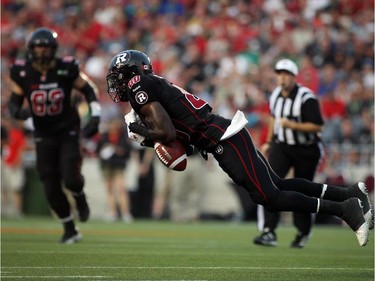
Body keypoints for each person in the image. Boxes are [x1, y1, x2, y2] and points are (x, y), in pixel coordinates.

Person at [105, 49, 373, 246]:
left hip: (224, 138)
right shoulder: (151, 84)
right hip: (223, 136)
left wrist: (139, 130)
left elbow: (167, 132)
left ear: (132, 73)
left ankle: (346, 210)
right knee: (277, 185)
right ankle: (347, 194)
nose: (116, 82)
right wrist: (153, 139)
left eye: (118, 75)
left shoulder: (138, 85)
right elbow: (180, 141)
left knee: (269, 197)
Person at [8, 27, 101, 244]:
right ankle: (70, 228)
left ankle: (79, 196)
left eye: (45, 47)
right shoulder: (22, 72)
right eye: (37, 47)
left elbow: (89, 90)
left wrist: (95, 117)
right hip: (43, 134)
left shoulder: (66, 68)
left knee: (70, 178)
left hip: (67, 130)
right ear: (31, 49)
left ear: (53, 49)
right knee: (49, 184)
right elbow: (14, 100)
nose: (41, 52)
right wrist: (16, 111)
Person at [253, 59, 324, 248]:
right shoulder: (275, 94)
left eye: (286, 74)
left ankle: (303, 232)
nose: (282, 78)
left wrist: (292, 125)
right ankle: (269, 231)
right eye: (279, 74)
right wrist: (268, 141)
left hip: (306, 150)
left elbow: (317, 126)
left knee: (301, 190)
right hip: (282, 146)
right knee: (269, 186)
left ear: (294, 77)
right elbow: (273, 118)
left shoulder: (306, 98)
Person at [97, 118, 133, 223]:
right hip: (107, 166)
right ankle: (112, 212)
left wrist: (115, 150)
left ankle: (125, 213)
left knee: (121, 189)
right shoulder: (104, 136)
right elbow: (99, 150)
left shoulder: (122, 136)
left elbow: (126, 151)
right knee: (109, 189)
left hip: (118, 165)